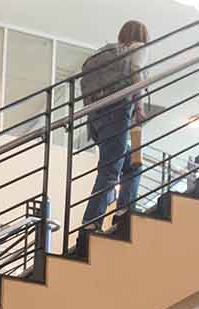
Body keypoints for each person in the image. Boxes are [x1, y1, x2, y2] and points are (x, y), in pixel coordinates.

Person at [78, 21, 148, 232]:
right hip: (117, 112)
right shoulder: (137, 48)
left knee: (132, 163)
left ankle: (123, 212)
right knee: (110, 170)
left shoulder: (103, 53)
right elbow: (136, 73)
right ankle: (91, 223)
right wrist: (140, 107)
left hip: (97, 117)